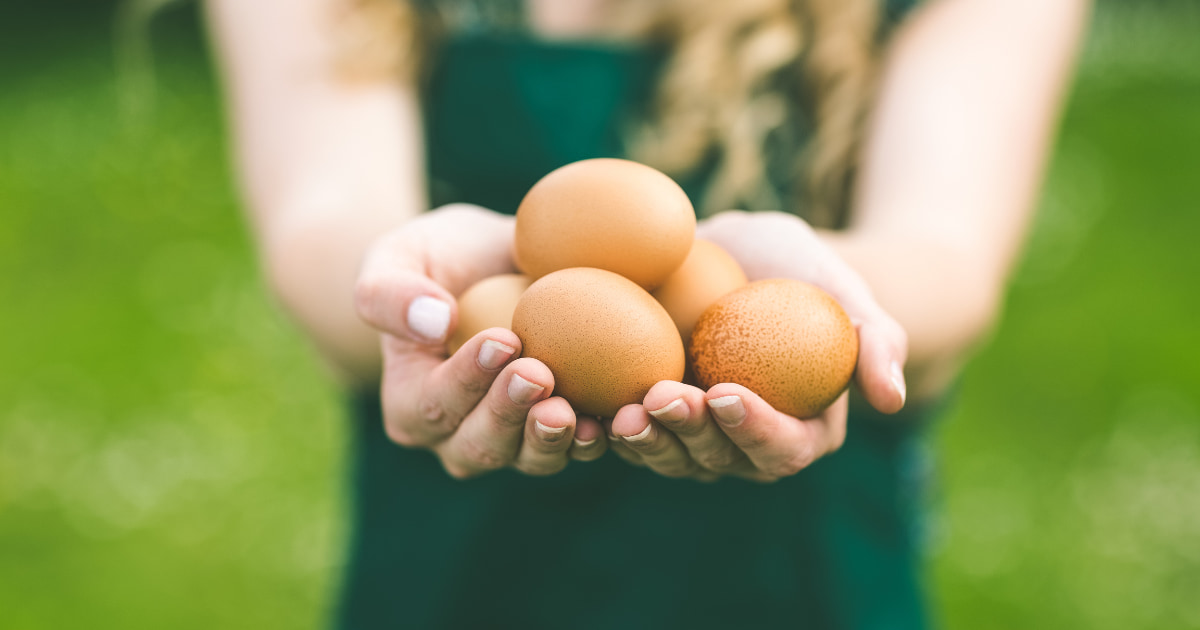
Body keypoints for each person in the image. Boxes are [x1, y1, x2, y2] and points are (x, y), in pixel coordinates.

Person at [206, 0, 1088, 627]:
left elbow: (946, 257)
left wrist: (809, 304)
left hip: (797, 578)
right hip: (463, 569)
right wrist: (413, 294)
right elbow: (322, 224)